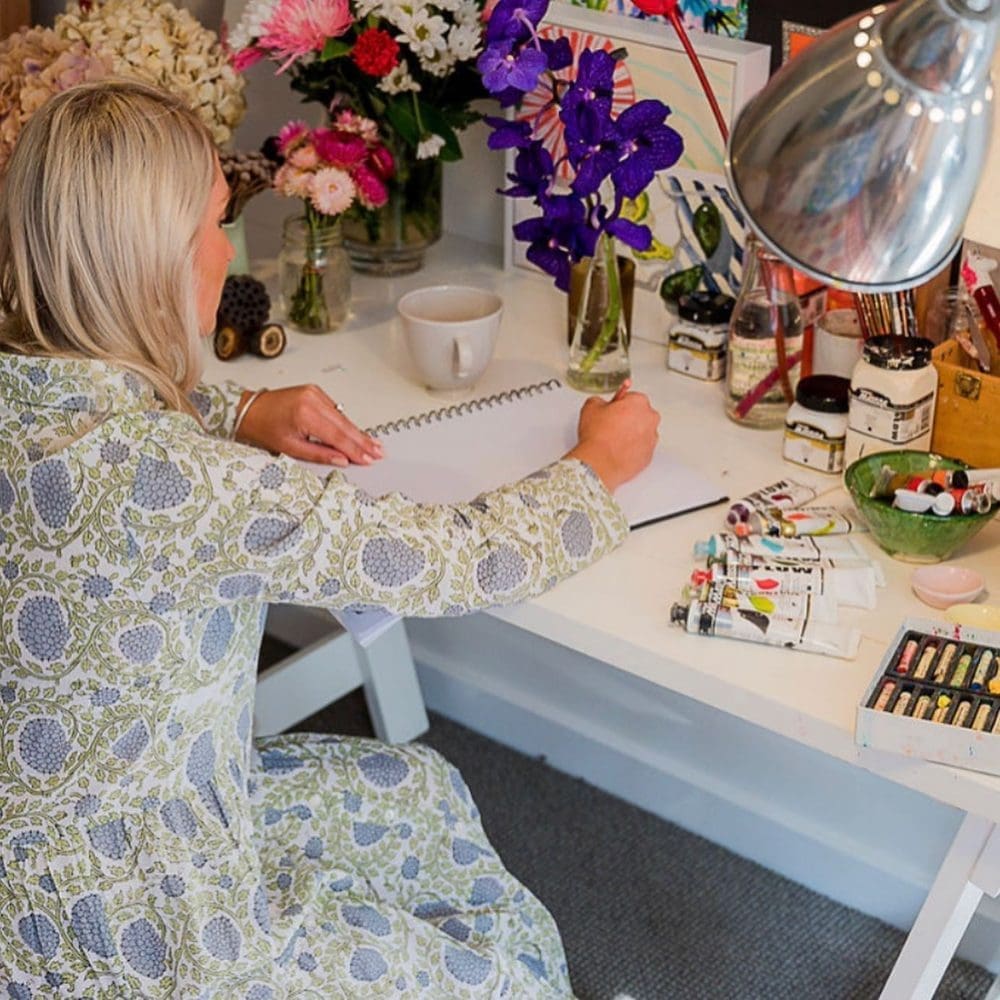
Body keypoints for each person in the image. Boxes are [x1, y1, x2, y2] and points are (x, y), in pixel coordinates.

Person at [0, 80, 659, 999]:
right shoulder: (181, 486)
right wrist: (600, 465)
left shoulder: (27, 390)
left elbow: (107, 429)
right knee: (503, 978)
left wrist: (237, 408)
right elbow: (453, 561)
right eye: (216, 224)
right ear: (152, 261)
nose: (226, 252)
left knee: (415, 792)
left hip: (55, 857)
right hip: (146, 923)